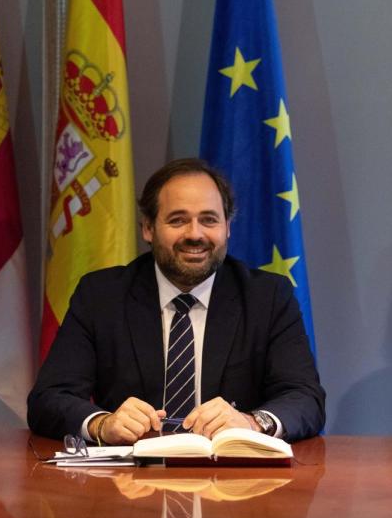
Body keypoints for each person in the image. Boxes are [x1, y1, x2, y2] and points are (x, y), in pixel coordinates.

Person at [28, 158, 325, 445]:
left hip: (233, 471)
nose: (194, 234)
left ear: (227, 227)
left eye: (209, 220)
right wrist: (102, 424)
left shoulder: (268, 297)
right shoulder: (101, 296)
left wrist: (252, 422)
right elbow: (49, 398)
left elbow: (305, 398)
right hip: (132, 472)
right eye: (178, 220)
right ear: (148, 228)